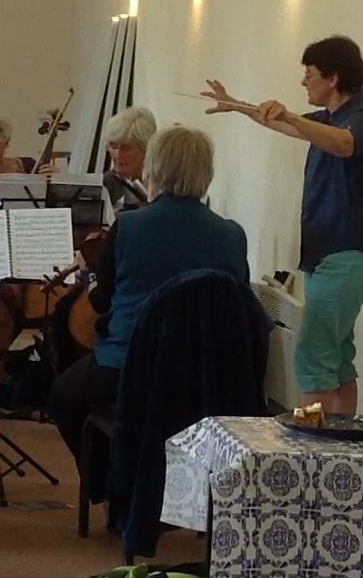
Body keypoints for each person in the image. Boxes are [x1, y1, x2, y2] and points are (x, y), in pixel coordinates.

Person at [48, 126, 248, 502]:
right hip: (202, 372)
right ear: (206, 173)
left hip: (129, 365)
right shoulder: (231, 234)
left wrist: (91, 282)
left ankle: (107, 485)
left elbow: (103, 301)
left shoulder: (129, 226)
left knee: (62, 394)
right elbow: (235, 301)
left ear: (154, 169)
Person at [204, 36, 363, 417]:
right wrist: (236, 105)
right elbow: (286, 125)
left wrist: (290, 116)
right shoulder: (332, 118)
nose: (304, 82)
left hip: (350, 250)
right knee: (336, 356)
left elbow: (345, 144)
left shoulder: (362, 116)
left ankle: (309, 452)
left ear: (333, 78)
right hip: (328, 254)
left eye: (309, 75)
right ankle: (339, 443)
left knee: (313, 352)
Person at [101, 107, 157, 212]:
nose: (117, 155)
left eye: (126, 148)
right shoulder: (107, 183)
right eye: (114, 147)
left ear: (146, 149)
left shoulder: (160, 185)